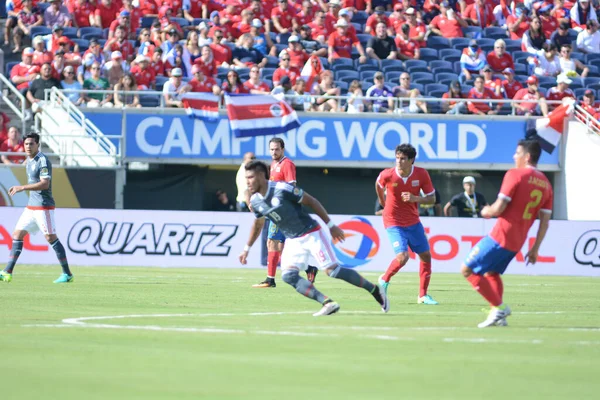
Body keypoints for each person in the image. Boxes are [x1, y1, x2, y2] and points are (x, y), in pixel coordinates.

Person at [239, 161, 388, 316]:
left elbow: (311, 201)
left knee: (332, 271)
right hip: (292, 240)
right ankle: (328, 303)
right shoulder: (255, 201)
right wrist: (246, 249)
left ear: (262, 176)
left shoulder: (282, 189)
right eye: (246, 178)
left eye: (250, 177)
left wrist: (331, 225)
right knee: (288, 276)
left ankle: (374, 290)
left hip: (311, 233)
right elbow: (258, 224)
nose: (247, 182)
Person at [461, 140, 553, 327]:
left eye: (517, 153)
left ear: (527, 157)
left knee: (467, 269)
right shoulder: (546, 185)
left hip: (501, 235)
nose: (514, 156)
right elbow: (544, 222)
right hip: (518, 241)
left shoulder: (515, 174)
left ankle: (499, 307)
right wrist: (535, 249)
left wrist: (486, 211)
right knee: (491, 272)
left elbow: (499, 207)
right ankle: (498, 316)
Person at [0, 133, 74, 284]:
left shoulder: (42, 160)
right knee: (17, 234)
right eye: (26, 144)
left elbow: (45, 183)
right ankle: (7, 271)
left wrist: (22, 187)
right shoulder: (29, 159)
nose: (28, 147)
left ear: (37, 145)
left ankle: (67, 274)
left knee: (50, 238)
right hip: (31, 207)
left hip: (43, 207)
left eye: (31, 144)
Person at [375, 143, 439, 306]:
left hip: (413, 221)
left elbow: (432, 199)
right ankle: (384, 280)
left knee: (426, 256)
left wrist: (415, 198)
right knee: (403, 257)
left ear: (411, 160)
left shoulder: (421, 174)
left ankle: (423, 296)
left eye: (403, 159)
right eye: (397, 158)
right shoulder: (387, 174)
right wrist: (383, 203)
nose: (399, 161)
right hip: (393, 221)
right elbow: (378, 185)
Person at [251, 138, 319, 288]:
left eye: (276, 149)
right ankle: (309, 268)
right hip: (277, 210)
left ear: (283, 149)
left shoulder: (287, 164)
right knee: (279, 246)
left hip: (283, 211)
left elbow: (291, 188)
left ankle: (270, 279)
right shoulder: (274, 164)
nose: (274, 152)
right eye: (271, 149)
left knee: (273, 242)